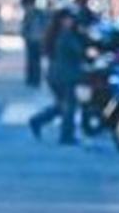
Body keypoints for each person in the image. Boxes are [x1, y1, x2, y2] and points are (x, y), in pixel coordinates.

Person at [28, 8, 83, 145]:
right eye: (68, 19)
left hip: (56, 75)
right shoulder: (65, 35)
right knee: (69, 105)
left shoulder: (55, 33)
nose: (71, 21)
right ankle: (66, 135)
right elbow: (77, 51)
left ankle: (37, 120)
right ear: (62, 20)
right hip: (65, 75)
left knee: (61, 105)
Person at [21, 0, 49, 87]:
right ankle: (33, 78)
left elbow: (25, 26)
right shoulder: (33, 13)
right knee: (33, 60)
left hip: (35, 39)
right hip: (34, 39)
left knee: (34, 60)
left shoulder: (39, 14)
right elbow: (25, 26)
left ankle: (34, 79)